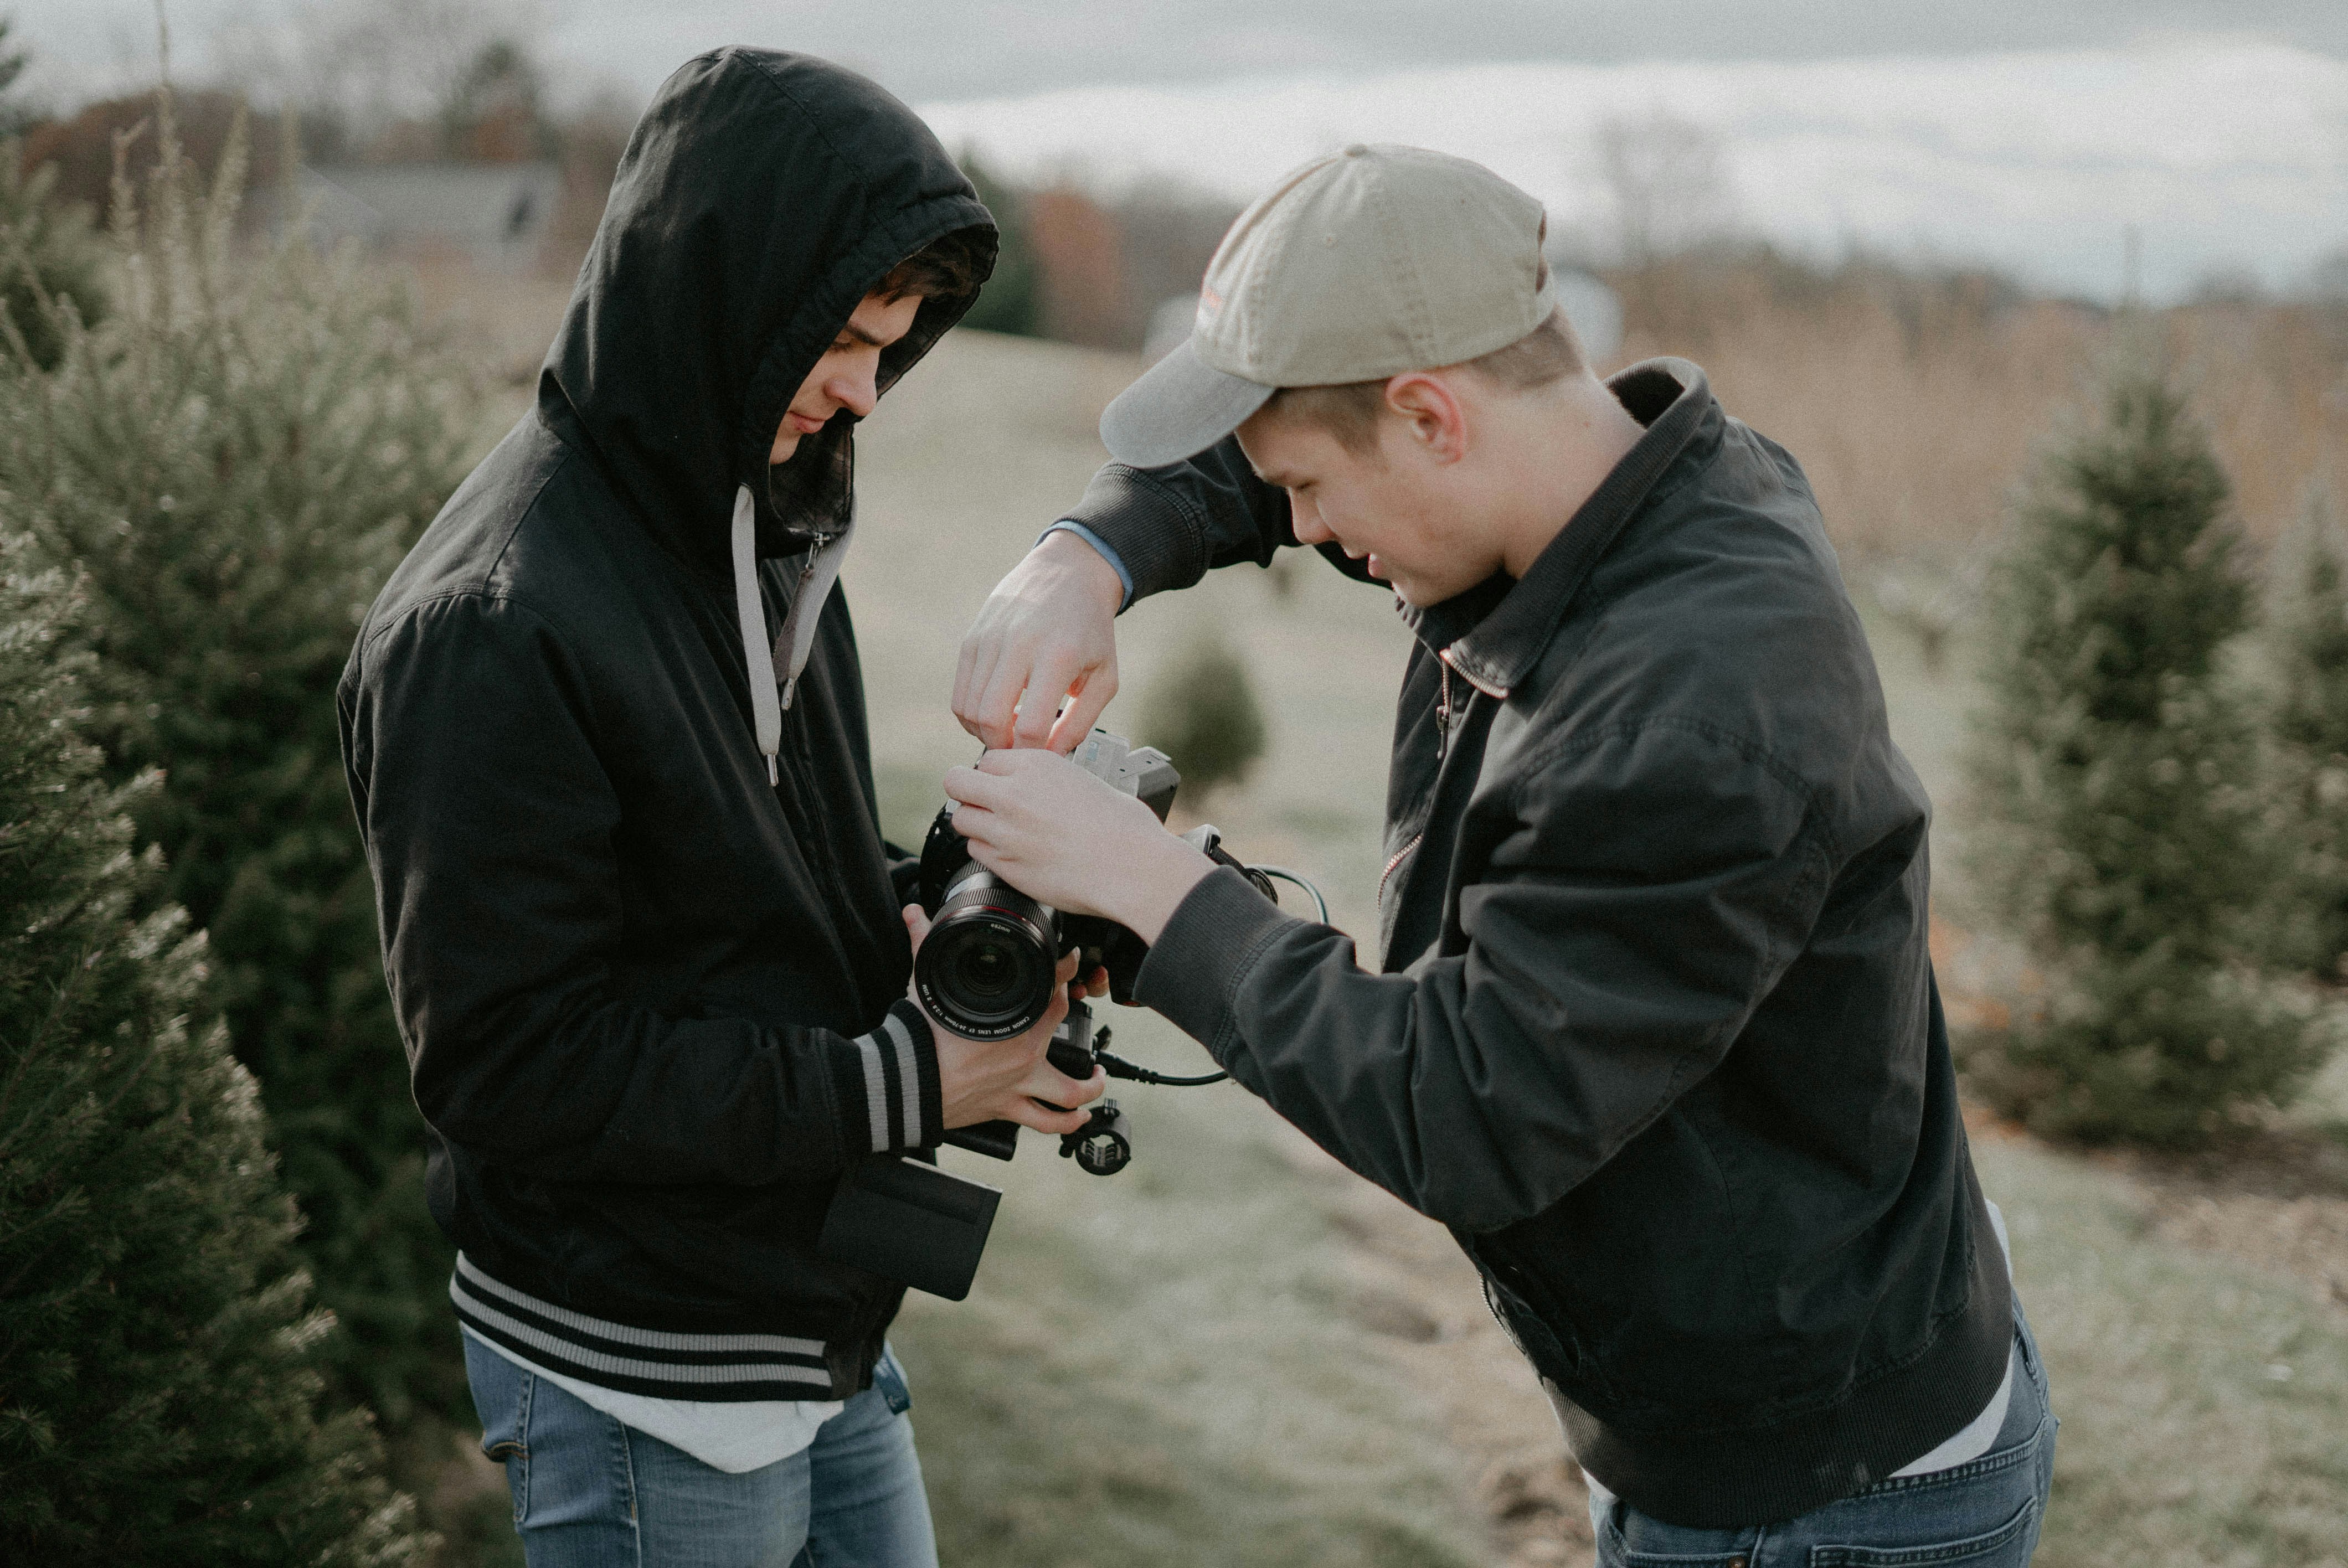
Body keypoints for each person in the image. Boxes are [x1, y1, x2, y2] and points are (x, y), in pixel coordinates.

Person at [946, 144, 2057, 1562]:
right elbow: (1261, 459)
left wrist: (1152, 891)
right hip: (1726, 1414)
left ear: (1431, 416)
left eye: (1309, 490)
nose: (1301, 529)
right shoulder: (1597, 484)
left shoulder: (1695, 706)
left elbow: (1473, 1112)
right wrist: (1081, 559)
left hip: (1817, 1494)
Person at [338, 49, 1101, 1566]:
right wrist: (911, 1086)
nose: (863, 390)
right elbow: (513, 1068)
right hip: (642, 1367)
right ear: (713, 290)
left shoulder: (750, 522)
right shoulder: (495, 625)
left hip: (804, 1314)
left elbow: (734, 873)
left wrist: (934, 919)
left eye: (896, 344)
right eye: (839, 336)